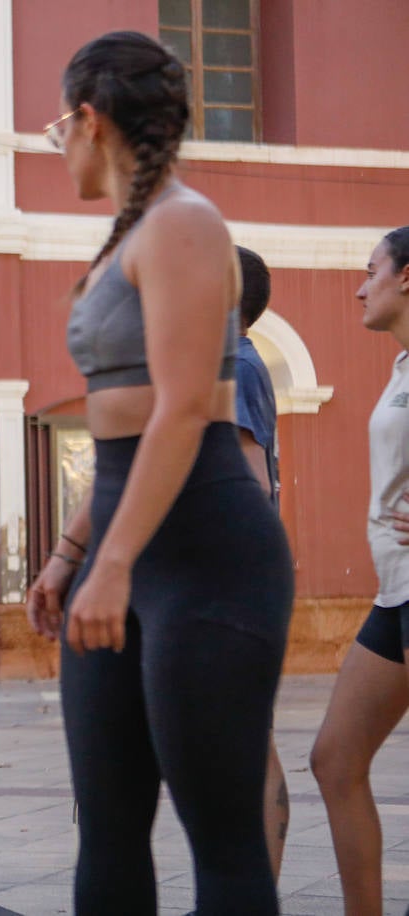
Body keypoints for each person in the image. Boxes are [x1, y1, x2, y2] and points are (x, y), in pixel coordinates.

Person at [23, 31, 293, 913]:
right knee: (106, 832)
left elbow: (181, 411)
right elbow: (118, 440)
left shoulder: (183, 222)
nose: (56, 140)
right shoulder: (127, 236)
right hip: (128, 554)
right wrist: (71, 554)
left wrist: (112, 564)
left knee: (223, 846)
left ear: (91, 121)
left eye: (60, 122)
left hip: (209, 561)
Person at [310, 226, 409, 915]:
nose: (359, 284)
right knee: (334, 758)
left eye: (371, 269)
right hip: (397, 593)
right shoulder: (403, 368)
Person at [232, 246, 290, 879]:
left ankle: (255, 897)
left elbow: (254, 485)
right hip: (237, 582)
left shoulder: (238, 367)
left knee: (252, 745)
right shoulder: (227, 363)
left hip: (238, 585)